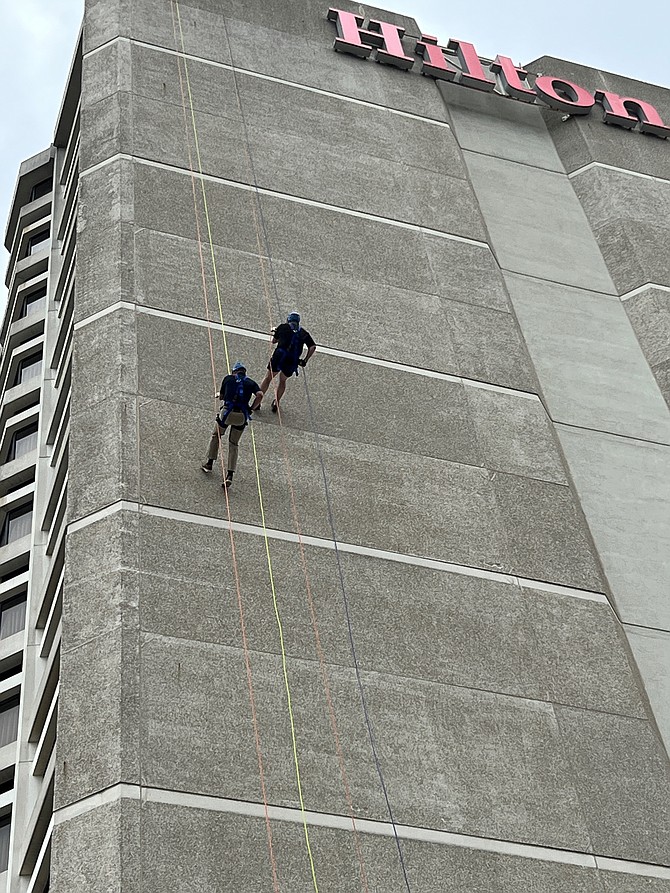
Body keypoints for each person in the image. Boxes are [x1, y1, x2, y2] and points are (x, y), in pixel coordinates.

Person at [201, 361, 262, 489]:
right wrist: (252, 408)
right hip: (241, 416)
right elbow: (260, 394)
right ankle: (229, 475)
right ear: (244, 372)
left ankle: (209, 463)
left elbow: (222, 396)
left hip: (227, 413)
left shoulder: (228, 378)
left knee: (216, 435)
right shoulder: (251, 383)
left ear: (234, 371)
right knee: (234, 444)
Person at [253, 312, 316, 413]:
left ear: (288, 320)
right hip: (292, 361)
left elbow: (274, 341)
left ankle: (258, 402)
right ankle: (276, 403)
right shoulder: (303, 333)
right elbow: (312, 347)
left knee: (268, 378)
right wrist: (305, 360)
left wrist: (276, 333)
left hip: (279, 356)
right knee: (282, 381)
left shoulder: (283, 327)